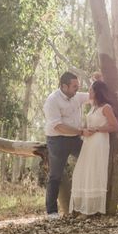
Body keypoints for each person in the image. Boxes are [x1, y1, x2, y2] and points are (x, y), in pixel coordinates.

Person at [43, 72, 89, 219]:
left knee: (89, 160)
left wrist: (98, 81)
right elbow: (58, 126)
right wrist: (81, 131)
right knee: (55, 175)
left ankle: (87, 202)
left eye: (78, 86)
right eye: (74, 86)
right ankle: (52, 211)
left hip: (75, 139)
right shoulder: (52, 100)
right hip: (57, 141)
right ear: (64, 86)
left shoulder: (77, 96)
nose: (77, 89)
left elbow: (94, 96)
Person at [69, 80, 118, 216]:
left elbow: (115, 126)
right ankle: (83, 206)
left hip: (99, 141)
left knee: (94, 171)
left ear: (97, 92)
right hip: (88, 141)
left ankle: (92, 209)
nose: (89, 92)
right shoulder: (92, 107)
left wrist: (97, 129)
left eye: (91, 90)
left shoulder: (106, 107)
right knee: (83, 170)